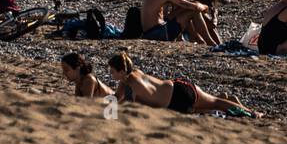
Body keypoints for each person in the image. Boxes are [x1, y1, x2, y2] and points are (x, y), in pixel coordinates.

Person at [107, 50, 259, 116]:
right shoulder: (128, 77)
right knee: (214, 103)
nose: (110, 74)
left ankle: (252, 113)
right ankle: (230, 100)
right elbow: (115, 97)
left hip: (179, 94)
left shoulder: (134, 82)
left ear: (121, 71)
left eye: (112, 71)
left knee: (216, 103)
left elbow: (131, 102)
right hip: (175, 97)